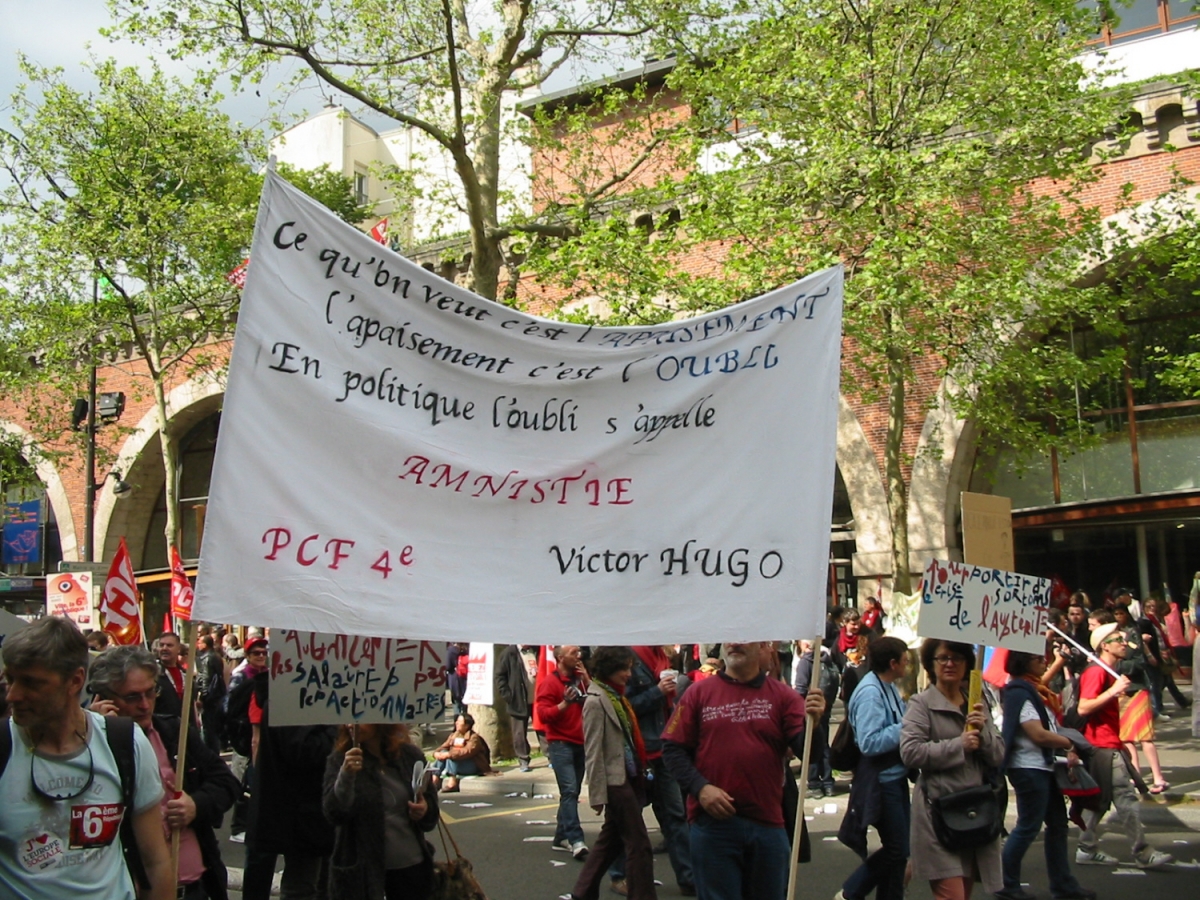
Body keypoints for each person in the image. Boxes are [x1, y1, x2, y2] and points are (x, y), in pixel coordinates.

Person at [0, 615, 174, 900]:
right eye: (10, 679)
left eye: (31, 683)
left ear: (75, 680)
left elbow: (155, 861)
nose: (13, 695)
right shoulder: (3, 747)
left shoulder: (125, 743)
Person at [662, 641, 825, 900]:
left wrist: (815, 725)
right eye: (730, 636)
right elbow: (672, 748)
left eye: (744, 637)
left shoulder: (783, 696)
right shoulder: (698, 693)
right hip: (713, 826)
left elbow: (809, 755)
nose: (736, 643)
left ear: (762, 646)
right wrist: (701, 788)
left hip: (768, 825)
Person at [89, 645, 241, 900]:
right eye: (132, 697)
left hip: (193, 886)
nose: (145, 704)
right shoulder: (91, 744)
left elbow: (226, 783)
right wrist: (95, 734)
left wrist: (196, 804)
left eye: (151, 692)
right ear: (104, 698)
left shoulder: (173, 733)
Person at [900, 639, 1003, 900]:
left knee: (964, 892)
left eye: (957, 658)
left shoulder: (976, 701)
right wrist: (958, 746)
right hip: (938, 812)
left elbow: (998, 754)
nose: (950, 664)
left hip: (975, 810)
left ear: (968, 664)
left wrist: (983, 735)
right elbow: (910, 752)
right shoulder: (920, 704)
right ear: (931, 665)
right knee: (952, 895)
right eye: (943, 658)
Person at [997, 649, 1094, 900]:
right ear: (1023, 662)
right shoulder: (1019, 691)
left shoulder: (1034, 689)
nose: (1045, 662)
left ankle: (1063, 885)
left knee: (1058, 825)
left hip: (1044, 766)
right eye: (1039, 659)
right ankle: (1006, 884)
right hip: (1028, 767)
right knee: (1028, 826)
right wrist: (1067, 743)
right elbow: (1037, 733)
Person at [1074, 622, 1173, 868]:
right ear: (1104, 646)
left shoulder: (1108, 671)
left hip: (1109, 744)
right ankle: (1142, 852)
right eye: (1118, 639)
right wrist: (1113, 691)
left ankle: (1086, 847)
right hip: (1101, 746)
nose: (1124, 643)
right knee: (1125, 798)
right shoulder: (1096, 672)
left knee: (1102, 799)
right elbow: (1083, 707)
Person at [567, 647, 657, 900]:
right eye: (624, 669)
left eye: (630, 668)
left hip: (628, 776)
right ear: (609, 670)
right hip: (615, 782)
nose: (629, 674)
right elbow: (593, 751)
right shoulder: (596, 701)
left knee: (610, 843)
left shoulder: (617, 697)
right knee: (639, 844)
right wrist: (596, 794)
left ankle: (582, 893)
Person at [607, 645, 694, 896]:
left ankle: (688, 877)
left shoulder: (661, 656)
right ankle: (619, 875)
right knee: (628, 817)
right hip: (639, 752)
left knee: (675, 815)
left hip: (663, 749)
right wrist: (657, 692)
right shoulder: (630, 658)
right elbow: (624, 705)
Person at [323, 723, 440, 900]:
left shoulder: (409, 756)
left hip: (410, 866)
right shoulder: (340, 759)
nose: (350, 724)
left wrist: (424, 809)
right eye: (347, 718)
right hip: (362, 873)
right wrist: (346, 776)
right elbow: (334, 812)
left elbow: (430, 808)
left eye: (360, 717)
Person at [836, 636, 910, 900]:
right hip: (881, 782)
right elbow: (869, 742)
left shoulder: (887, 686)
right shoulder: (870, 692)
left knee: (900, 853)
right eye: (905, 661)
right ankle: (850, 892)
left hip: (897, 777)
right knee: (897, 849)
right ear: (892, 663)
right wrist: (906, 727)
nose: (908, 666)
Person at [535, 644, 591, 860]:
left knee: (573, 791)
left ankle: (561, 836)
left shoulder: (582, 680)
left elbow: (598, 698)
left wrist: (586, 678)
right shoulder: (550, 682)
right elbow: (543, 714)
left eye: (579, 653)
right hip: (560, 744)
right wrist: (564, 704)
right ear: (559, 658)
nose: (579, 656)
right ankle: (576, 840)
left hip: (581, 741)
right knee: (569, 792)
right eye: (573, 653)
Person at [1111, 603, 1167, 793]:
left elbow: (1139, 662)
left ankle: (1158, 777)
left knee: (1145, 736)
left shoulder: (1133, 632)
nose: (1119, 617)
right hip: (1121, 691)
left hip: (1137, 689)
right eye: (1116, 614)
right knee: (1126, 738)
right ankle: (1136, 775)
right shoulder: (1114, 635)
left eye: (1121, 613)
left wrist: (1119, 666)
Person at [793, 640, 840, 798]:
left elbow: (800, 688)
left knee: (811, 743)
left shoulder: (806, 662)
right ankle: (828, 783)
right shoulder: (827, 659)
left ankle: (814, 783)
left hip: (810, 709)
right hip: (825, 707)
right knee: (824, 744)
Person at [496, 643, 536, 772]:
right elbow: (499, 676)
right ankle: (523, 759)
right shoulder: (509, 652)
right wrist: (508, 695)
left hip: (537, 699)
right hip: (518, 700)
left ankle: (550, 756)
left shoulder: (536, 651)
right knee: (519, 733)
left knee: (542, 729)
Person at [431, 712, 492, 791]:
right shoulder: (454, 735)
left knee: (451, 756)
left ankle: (452, 782)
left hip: (472, 765)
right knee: (443, 752)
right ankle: (435, 779)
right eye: (457, 721)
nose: (456, 723)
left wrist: (449, 754)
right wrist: (436, 753)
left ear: (466, 725)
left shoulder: (474, 738)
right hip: (457, 764)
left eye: (459, 722)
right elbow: (443, 746)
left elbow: (467, 752)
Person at [194, 633, 227, 754]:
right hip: (217, 695)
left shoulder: (208, 658)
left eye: (200, 642)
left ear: (206, 644)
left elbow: (206, 679)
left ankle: (210, 753)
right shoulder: (215, 656)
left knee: (208, 728)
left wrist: (202, 697)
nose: (198, 645)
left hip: (211, 698)